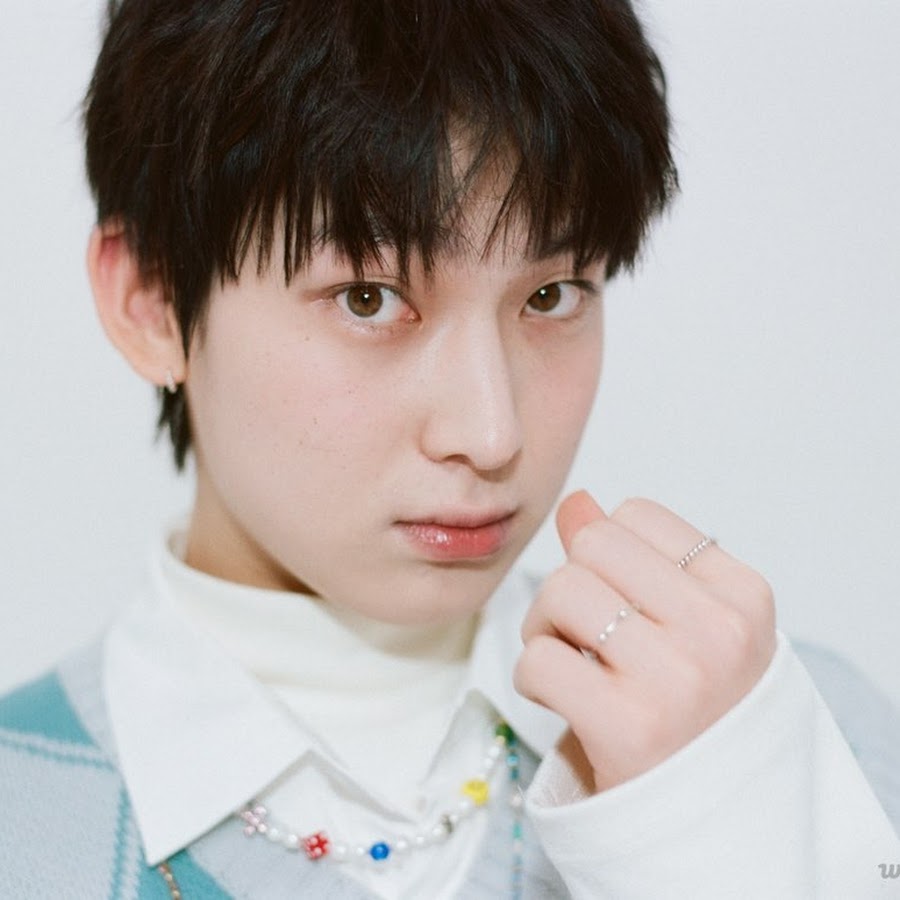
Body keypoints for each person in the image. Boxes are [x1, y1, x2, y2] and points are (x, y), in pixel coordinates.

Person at [1, 1, 898, 897]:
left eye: (551, 295)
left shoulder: (796, 744)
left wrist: (718, 835)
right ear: (152, 302)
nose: (491, 433)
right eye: (368, 298)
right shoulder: (28, 821)